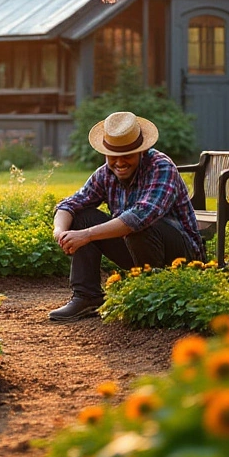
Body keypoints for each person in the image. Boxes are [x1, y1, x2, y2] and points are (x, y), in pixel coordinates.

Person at [48, 110, 204, 322]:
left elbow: (139, 217)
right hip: (137, 247)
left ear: (142, 151)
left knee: (138, 227)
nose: (119, 163)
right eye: (113, 156)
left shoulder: (161, 167)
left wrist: (87, 235)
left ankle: (152, 294)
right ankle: (87, 297)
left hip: (181, 255)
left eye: (127, 156)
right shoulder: (106, 173)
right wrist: (60, 232)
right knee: (82, 216)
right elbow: (70, 204)